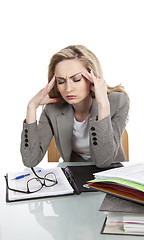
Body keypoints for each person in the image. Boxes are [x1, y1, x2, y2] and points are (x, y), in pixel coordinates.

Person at [20, 45, 129, 168]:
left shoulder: (118, 102)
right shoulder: (52, 110)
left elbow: (103, 161)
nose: (68, 89)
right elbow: (30, 160)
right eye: (61, 81)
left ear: (91, 78)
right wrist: (31, 107)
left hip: (111, 174)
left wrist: (103, 104)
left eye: (76, 79)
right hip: (75, 172)